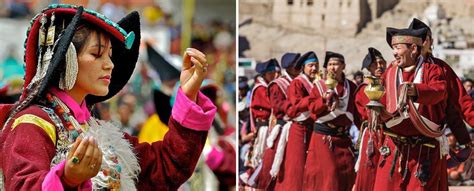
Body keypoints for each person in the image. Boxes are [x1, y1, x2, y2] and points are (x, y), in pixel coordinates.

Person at [0, 4, 216, 190]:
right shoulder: (31, 124)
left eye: (110, 56)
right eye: (97, 54)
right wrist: (67, 179)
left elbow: (167, 168)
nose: (109, 64)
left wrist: (188, 94)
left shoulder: (102, 132)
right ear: (67, 60)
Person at [372, 26, 447, 190]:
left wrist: (417, 91)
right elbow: (383, 103)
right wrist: (377, 112)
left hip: (423, 150)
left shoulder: (432, 70)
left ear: (413, 48)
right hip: (393, 148)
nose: (394, 53)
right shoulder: (390, 72)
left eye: (397, 48)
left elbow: (439, 92)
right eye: (393, 48)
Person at [303, 51, 360, 191]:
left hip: (343, 138)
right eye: (329, 65)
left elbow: (358, 113)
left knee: (347, 173)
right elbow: (312, 108)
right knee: (330, 175)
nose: (332, 68)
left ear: (343, 66)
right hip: (324, 138)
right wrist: (323, 99)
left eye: (335, 64)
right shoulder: (320, 86)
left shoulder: (351, 87)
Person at [254, 52, 300, 190]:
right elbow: (276, 106)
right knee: (271, 159)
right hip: (281, 127)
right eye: (272, 72)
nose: (274, 74)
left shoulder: (299, 82)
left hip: (297, 127)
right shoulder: (276, 85)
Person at [274, 51, 318, 190]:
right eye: (311, 65)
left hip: (312, 128)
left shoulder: (314, 83)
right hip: (296, 127)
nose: (314, 69)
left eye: (316, 65)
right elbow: (293, 105)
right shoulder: (295, 83)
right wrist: (316, 100)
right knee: (295, 166)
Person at [353, 47, 387, 191]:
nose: (379, 67)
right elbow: (360, 115)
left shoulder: (389, 85)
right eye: (375, 64)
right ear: (369, 68)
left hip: (390, 134)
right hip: (373, 134)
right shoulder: (364, 89)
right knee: (369, 170)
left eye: (381, 63)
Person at [240, 59, 278, 186]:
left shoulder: (266, 87)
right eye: (271, 72)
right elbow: (272, 105)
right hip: (264, 128)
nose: (275, 75)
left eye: (275, 72)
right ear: (265, 74)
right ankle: (253, 181)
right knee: (262, 157)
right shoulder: (261, 89)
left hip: (268, 127)